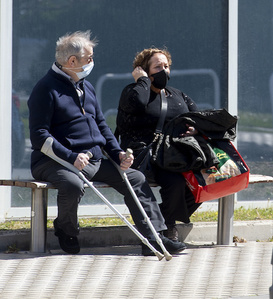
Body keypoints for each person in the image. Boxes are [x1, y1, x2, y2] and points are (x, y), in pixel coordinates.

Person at [28, 31, 186, 256]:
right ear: (72, 61)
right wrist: (70, 157)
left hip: (93, 159)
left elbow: (102, 126)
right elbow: (39, 136)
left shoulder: (86, 86)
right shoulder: (45, 89)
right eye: (89, 58)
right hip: (55, 161)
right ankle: (66, 229)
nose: (92, 62)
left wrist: (119, 153)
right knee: (73, 184)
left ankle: (154, 237)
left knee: (136, 177)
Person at [115, 47, 201, 241]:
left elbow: (196, 117)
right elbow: (138, 103)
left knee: (191, 182)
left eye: (166, 66)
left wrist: (195, 129)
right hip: (142, 155)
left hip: (169, 156)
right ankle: (164, 228)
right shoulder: (133, 91)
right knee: (165, 182)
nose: (164, 71)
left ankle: (164, 221)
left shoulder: (177, 95)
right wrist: (143, 81)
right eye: (157, 67)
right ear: (145, 70)